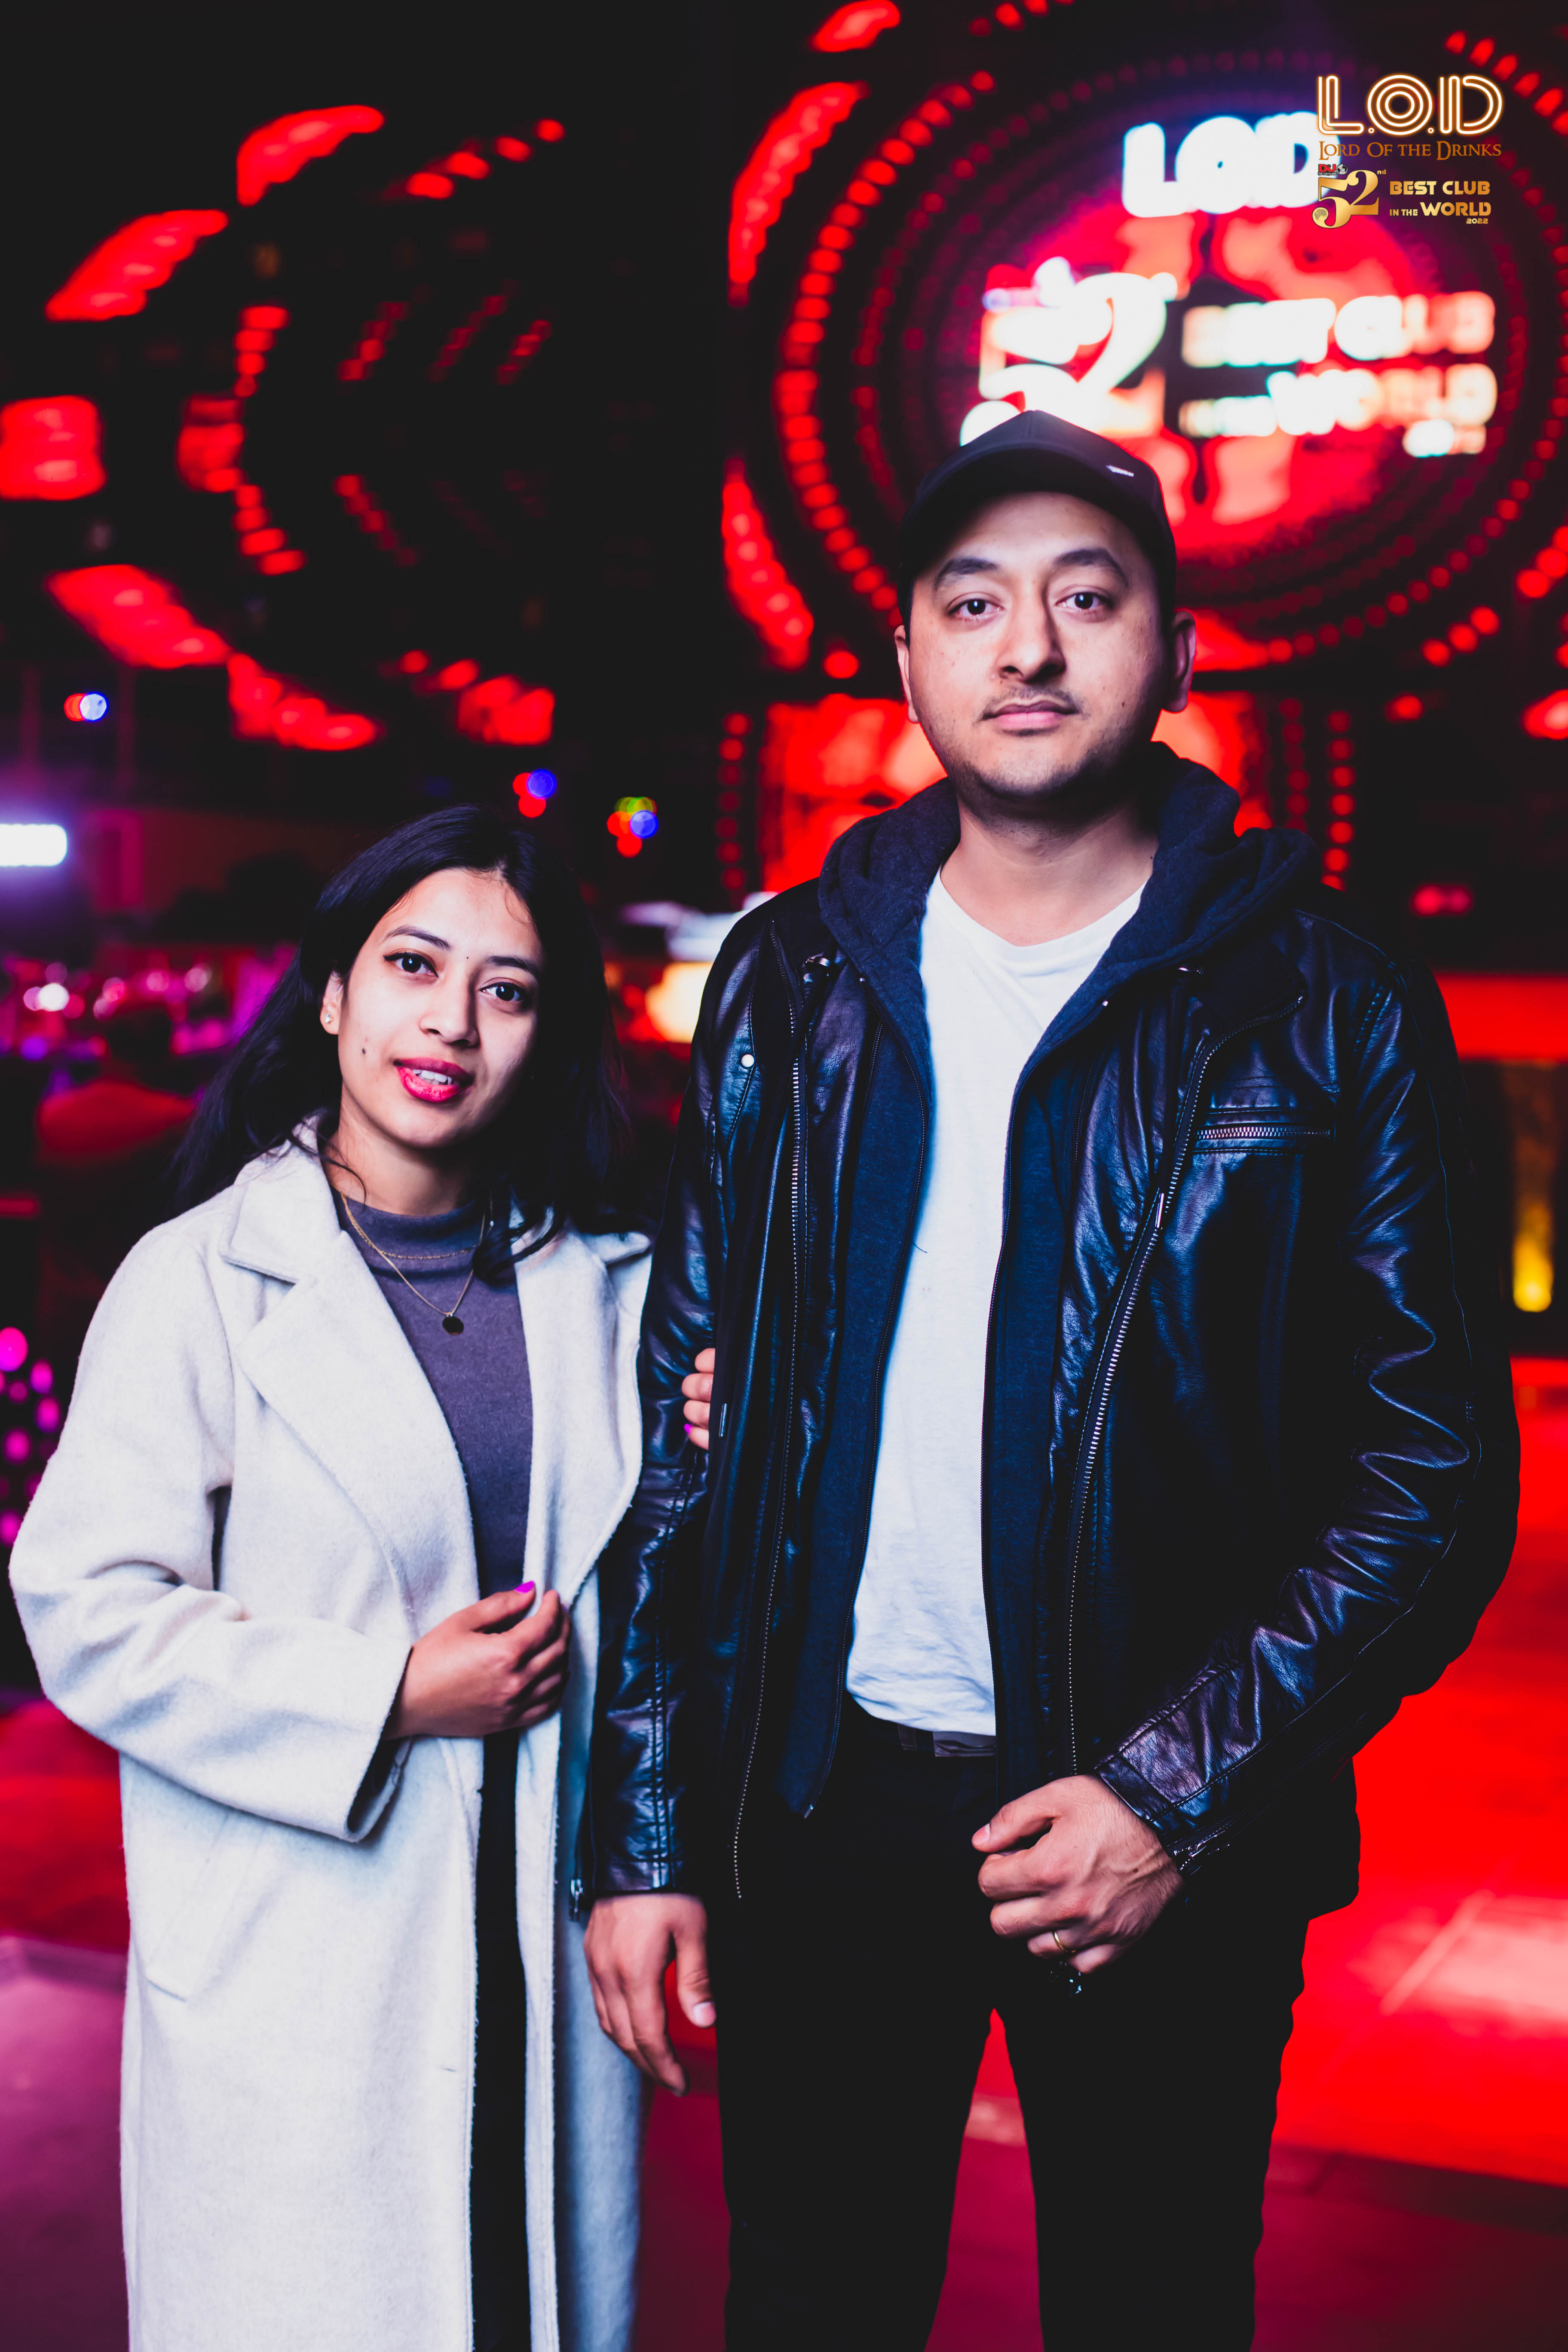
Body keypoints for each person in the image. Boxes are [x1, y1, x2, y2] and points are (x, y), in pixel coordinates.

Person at [579, 410, 1519, 2350]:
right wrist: (650, 1825)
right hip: (824, 1802)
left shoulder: (1325, 998)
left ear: (1171, 651)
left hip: (1142, 1819)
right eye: (972, 602)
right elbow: (684, 1429)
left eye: (1085, 600)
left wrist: (1169, 1791)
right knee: (810, 2308)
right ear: (906, 656)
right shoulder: (790, 980)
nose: (1025, 645)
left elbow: (1428, 1481)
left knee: (1146, 2308)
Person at [11, 806, 651, 2352]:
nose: (451, 1021)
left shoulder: (610, 1290)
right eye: (412, 966)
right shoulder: (204, 1280)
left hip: (540, 1948)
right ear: (331, 993)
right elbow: (82, 1603)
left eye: (506, 988)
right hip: (303, 1956)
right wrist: (388, 1693)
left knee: (518, 2300)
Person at [34, 999, 193, 1371]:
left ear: (104, 1046)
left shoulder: (51, 1117)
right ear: (168, 1051)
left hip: (61, 1318)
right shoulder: (181, 1123)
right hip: (142, 1326)